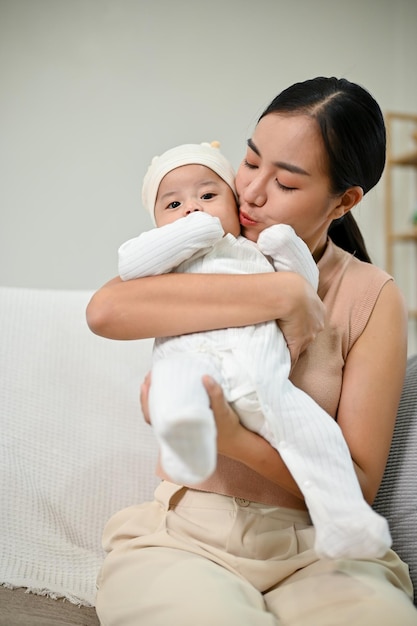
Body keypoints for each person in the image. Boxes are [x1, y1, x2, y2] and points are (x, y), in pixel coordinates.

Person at [86, 77, 417, 625]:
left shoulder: (371, 297)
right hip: (187, 538)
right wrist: (283, 293)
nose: (253, 191)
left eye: (285, 183)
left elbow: (355, 482)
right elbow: (105, 312)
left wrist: (235, 439)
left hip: (318, 548)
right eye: (250, 161)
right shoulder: (199, 249)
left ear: (345, 200)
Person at [117, 139, 391, 560]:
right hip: (197, 372)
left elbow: (303, 286)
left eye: (208, 196)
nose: (192, 208)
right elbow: (126, 270)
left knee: (317, 436)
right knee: (175, 383)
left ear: (344, 201)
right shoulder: (168, 266)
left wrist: (285, 246)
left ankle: (348, 524)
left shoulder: (259, 251)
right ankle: (186, 442)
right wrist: (195, 229)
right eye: (172, 206)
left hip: (265, 383)